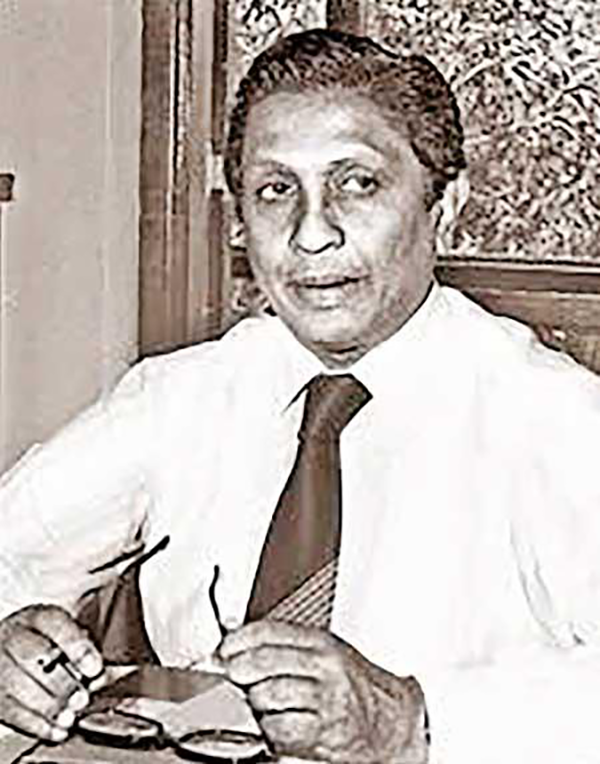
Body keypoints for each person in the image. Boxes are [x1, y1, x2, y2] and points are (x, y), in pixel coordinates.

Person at [1, 27, 600, 764]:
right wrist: (9, 649)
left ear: (444, 207)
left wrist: (415, 721)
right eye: (276, 190)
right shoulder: (182, 396)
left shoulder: (557, 420)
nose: (311, 234)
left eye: (358, 183)